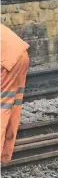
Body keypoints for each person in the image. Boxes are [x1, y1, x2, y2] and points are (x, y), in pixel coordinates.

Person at [1, 24, 30, 163]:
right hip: (21, 55)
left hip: (6, 60)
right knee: (13, 104)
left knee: (3, 106)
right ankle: (5, 155)